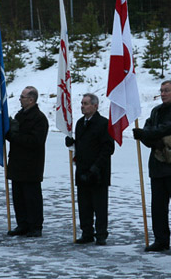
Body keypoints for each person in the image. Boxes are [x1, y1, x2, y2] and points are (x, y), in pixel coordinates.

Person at [133, 80, 171, 255]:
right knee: (158, 207)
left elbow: (170, 130)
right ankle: (161, 240)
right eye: (161, 91)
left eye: (167, 90)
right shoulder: (156, 111)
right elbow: (148, 132)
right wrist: (149, 137)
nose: (163, 94)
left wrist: (149, 134)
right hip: (157, 164)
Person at [65, 93, 114, 245]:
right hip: (82, 170)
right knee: (84, 205)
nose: (83, 106)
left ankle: (101, 234)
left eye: (86, 103)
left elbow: (108, 148)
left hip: (98, 172)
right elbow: (82, 145)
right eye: (82, 103)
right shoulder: (80, 123)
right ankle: (87, 233)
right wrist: (72, 143)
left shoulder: (103, 123)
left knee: (99, 206)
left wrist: (96, 168)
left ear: (95, 106)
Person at [5, 86, 49, 238]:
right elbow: (15, 136)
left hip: (31, 165)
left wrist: (14, 136)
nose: (20, 99)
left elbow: (36, 141)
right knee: (18, 197)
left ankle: (35, 226)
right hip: (17, 162)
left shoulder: (39, 119)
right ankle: (22, 224)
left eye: (22, 97)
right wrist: (7, 132)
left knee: (32, 198)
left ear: (31, 100)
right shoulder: (20, 115)